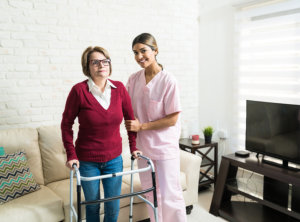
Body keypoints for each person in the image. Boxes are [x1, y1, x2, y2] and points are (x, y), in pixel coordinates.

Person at [61, 46, 141, 222]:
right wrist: (71, 154)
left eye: (105, 61)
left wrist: (134, 147)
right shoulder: (78, 91)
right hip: (87, 161)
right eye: (95, 62)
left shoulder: (119, 88)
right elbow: (66, 124)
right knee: (93, 205)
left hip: (114, 160)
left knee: (113, 206)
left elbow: (130, 120)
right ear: (87, 67)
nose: (101, 65)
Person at [125, 33, 186, 222]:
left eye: (143, 51)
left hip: (164, 147)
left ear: (155, 50)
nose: (139, 56)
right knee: (151, 193)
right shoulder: (133, 79)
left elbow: (172, 119)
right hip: (144, 149)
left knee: (170, 194)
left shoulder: (169, 81)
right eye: (135, 52)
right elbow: (126, 110)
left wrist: (141, 126)